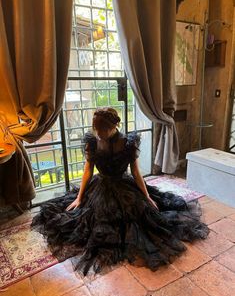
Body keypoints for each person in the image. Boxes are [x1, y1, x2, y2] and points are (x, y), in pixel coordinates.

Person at [31, 107, 209, 276]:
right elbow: (88, 170)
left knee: (142, 217)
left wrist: (146, 196)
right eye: (97, 129)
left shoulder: (128, 143)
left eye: (103, 130)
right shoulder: (92, 142)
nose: (99, 134)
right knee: (84, 217)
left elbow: (136, 172)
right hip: (99, 187)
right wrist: (79, 197)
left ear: (114, 126)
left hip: (124, 186)